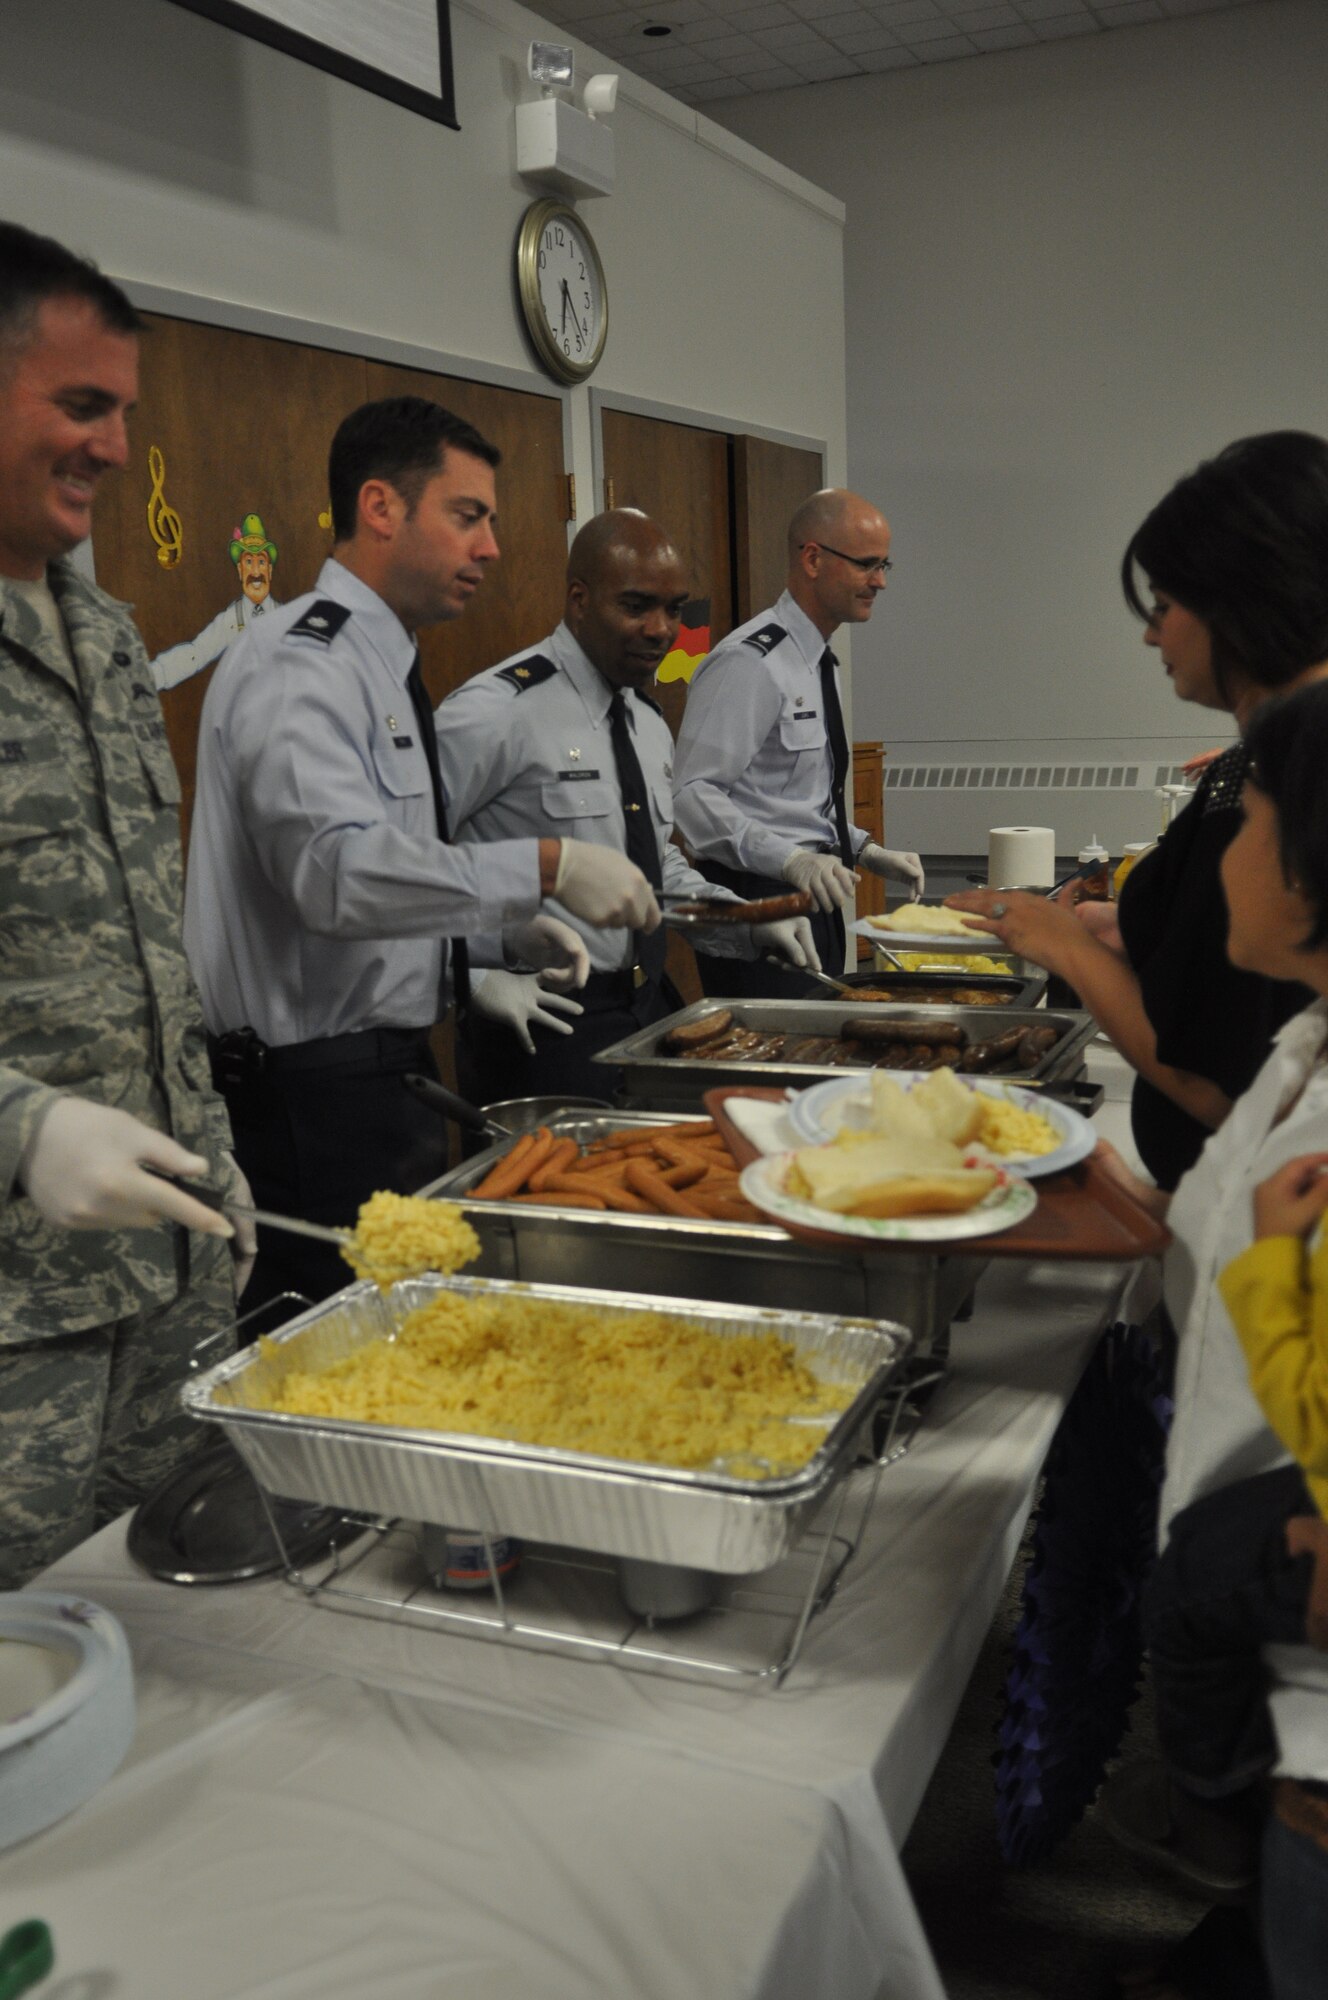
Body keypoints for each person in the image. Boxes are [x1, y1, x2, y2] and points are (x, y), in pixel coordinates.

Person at [185, 397, 658, 1311]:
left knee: (398, 1344)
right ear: (381, 509)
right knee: (336, 1371)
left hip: (381, 1077)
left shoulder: (383, 664)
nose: (489, 548)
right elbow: (331, 876)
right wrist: (546, 867)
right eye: (467, 515)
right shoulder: (303, 663)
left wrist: (493, 939)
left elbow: (382, 883)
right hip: (307, 1100)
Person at [0, 220, 248, 1588]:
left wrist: (211, 1142)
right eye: (80, 406)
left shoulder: (101, 639)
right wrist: (22, 1126)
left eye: (123, 415)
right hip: (12, 1318)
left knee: (166, 1631)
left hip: (166, 1271)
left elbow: (149, 940)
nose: (111, 447)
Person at [1091, 681, 1328, 2000]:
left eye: (1249, 822)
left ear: (1305, 870)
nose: (1218, 851)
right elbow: (1221, 1220)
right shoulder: (1302, 1040)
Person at [948, 433, 1328, 1191]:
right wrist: (1126, 928)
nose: (1152, 634)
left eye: (1164, 607)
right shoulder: (1255, 763)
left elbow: (1227, 1080)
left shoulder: (1290, 776)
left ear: (1242, 602)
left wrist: (1069, 947)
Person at [436, 510, 822, 1102]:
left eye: (675, 609)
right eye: (637, 606)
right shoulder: (495, 713)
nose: (661, 629)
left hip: (646, 1005)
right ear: (579, 599)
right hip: (543, 1014)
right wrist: (472, 973)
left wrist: (746, 921)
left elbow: (653, 870)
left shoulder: (645, 722)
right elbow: (399, 871)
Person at [672, 487, 923, 997]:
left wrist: (866, 850)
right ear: (813, 558)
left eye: (884, 566)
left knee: (820, 1057)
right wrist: (788, 860)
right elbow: (691, 797)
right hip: (759, 899)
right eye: (867, 565)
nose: (880, 582)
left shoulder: (814, 660)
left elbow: (789, 801)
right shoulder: (750, 662)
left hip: (818, 894)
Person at [150, 512, 282, 691]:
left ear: (270, 569)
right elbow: (197, 653)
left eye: (261, 562)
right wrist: (152, 676)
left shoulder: (286, 616)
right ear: (240, 570)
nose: (256, 572)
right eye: (249, 562)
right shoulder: (231, 619)